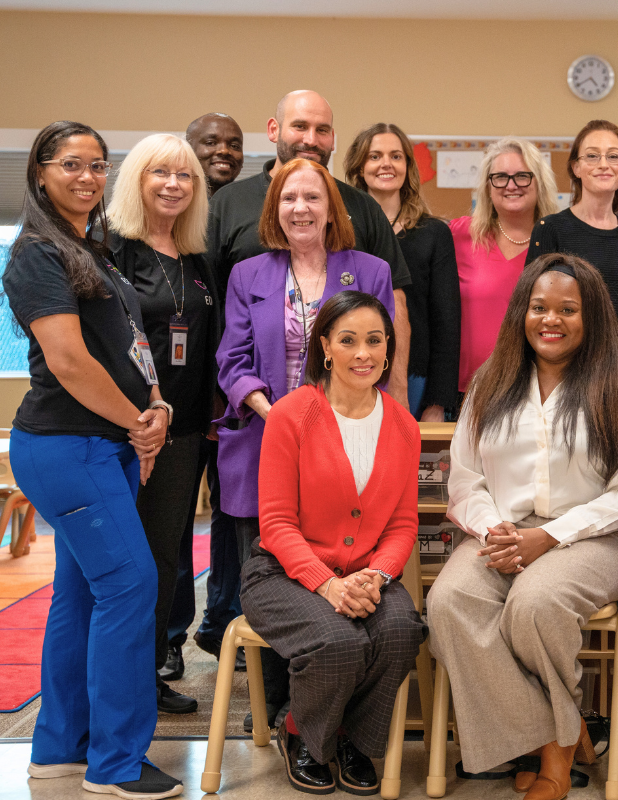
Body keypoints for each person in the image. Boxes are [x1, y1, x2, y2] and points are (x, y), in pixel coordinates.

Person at [425, 254, 618, 800]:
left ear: (590, 316)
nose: (551, 320)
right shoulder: (491, 382)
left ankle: (551, 761)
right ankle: (560, 733)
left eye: (568, 309)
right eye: (539, 307)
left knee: (535, 603)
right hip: (501, 532)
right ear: (520, 313)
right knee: (451, 601)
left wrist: (547, 538)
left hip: (597, 535)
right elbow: (466, 478)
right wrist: (496, 530)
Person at [4, 121, 180, 798]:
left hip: (105, 445)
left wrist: (157, 403)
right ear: (41, 173)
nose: (87, 176)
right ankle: (115, 763)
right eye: (71, 164)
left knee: (81, 596)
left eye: (98, 166)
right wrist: (138, 421)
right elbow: (71, 363)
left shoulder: (94, 250)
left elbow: (130, 343)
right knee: (132, 586)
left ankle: (58, 749)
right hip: (66, 446)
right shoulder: (36, 256)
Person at [216, 157, 397, 727]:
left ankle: (320, 699)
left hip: (347, 442)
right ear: (275, 208)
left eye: (312, 198)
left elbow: (377, 352)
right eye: (289, 198)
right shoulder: (249, 274)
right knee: (271, 566)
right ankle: (271, 701)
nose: (301, 208)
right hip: (265, 437)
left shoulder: (366, 270)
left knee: (338, 557)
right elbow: (232, 360)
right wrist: (282, 415)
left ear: (331, 208)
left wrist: (331, 419)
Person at [242, 290, 425, 795]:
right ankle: (301, 734)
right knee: (340, 640)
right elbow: (276, 522)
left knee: (400, 630)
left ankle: (351, 741)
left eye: (374, 340)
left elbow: (403, 525)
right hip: (281, 574)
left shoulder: (405, 427)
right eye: (348, 340)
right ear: (325, 346)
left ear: (389, 348)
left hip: (366, 576)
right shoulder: (292, 414)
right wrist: (328, 586)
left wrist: (376, 576)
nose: (362, 353)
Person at [106, 133, 220, 716]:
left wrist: (207, 423)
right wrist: (134, 417)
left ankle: (144, 678)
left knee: (161, 560)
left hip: (185, 434)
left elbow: (204, 345)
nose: (174, 185)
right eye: (160, 173)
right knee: (124, 565)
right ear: (136, 180)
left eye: (185, 176)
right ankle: (116, 686)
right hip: (125, 431)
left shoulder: (196, 260)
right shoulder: (111, 250)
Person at [206, 89, 412, 406]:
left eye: (323, 130)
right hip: (259, 419)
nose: (311, 139)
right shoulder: (228, 208)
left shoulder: (364, 214)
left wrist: (396, 398)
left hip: (345, 420)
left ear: (333, 210)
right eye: (300, 126)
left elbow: (389, 324)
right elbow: (219, 324)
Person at [165, 112, 246, 684]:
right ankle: (168, 640)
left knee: (231, 518)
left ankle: (225, 626)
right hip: (174, 404)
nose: (222, 150)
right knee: (169, 526)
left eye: (233, 143)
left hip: (233, 400)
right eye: (209, 142)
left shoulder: (247, 212)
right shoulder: (172, 227)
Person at [345, 122, 461, 420]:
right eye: (375, 156)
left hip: (415, 376)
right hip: (350, 370)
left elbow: (446, 322)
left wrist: (437, 402)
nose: (386, 163)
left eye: (396, 156)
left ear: (408, 166)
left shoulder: (434, 233)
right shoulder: (342, 231)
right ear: (359, 168)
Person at [526, 120, 618, 381]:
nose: (603, 164)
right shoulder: (551, 229)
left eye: (613, 156)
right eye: (592, 156)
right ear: (576, 167)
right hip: (567, 377)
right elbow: (533, 312)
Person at [451, 137, 559, 405]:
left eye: (522, 176)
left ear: (539, 183)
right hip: (466, 393)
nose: (511, 185)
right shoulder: (458, 235)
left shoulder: (558, 241)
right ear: (488, 187)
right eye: (500, 177)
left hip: (536, 392)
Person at [185, 113, 244, 194]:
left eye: (234, 146)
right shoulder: (171, 201)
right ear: (188, 150)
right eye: (211, 143)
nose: (224, 151)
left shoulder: (256, 204)